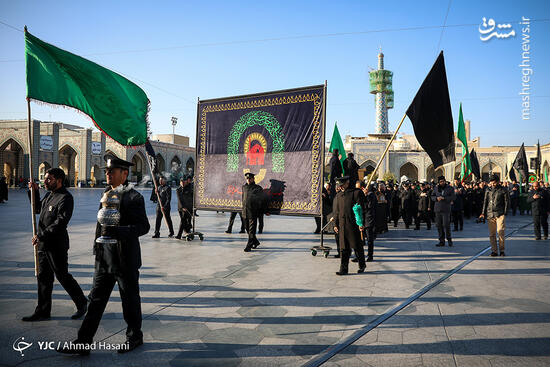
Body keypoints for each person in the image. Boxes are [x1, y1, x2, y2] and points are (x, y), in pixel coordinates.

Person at [58, 155, 150, 355]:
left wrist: (121, 232)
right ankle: (83, 341)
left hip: (125, 259)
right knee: (95, 301)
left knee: (130, 300)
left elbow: (144, 226)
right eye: (106, 171)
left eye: (112, 171)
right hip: (104, 259)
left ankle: (134, 336)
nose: (107, 174)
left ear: (124, 174)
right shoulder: (106, 193)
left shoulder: (134, 197)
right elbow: (101, 226)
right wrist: (97, 249)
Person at [22, 168, 87, 322]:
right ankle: (43, 311)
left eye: (49, 179)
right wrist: (34, 191)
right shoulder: (49, 195)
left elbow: (61, 222)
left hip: (56, 245)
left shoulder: (65, 198)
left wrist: (41, 235)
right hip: (43, 245)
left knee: (63, 276)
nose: (45, 181)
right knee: (43, 278)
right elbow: (37, 209)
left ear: (59, 180)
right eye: (45, 179)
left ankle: (82, 303)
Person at [332, 176, 366, 275]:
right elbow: (337, 212)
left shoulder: (356, 193)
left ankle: (362, 265)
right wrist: (335, 224)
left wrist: (361, 223)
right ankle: (343, 269)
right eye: (339, 185)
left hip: (353, 225)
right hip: (342, 225)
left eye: (342, 185)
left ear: (347, 183)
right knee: (344, 248)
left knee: (357, 247)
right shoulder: (338, 196)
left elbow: (361, 209)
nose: (341, 187)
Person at [480, 175, 509, 256]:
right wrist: (483, 213)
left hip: (500, 214)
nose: (492, 184)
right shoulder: (488, 190)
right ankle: (494, 251)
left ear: (498, 182)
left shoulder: (503, 190)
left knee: (500, 232)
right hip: (490, 214)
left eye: (494, 182)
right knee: (492, 234)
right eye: (491, 182)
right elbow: (485, 201)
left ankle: (502, 250)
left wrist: (505, 212)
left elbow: (507, 201)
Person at [242, 172, 267, 252]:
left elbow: (262, 200)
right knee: (247, 229)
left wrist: (263, 211)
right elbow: (243, 198)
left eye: (250, 178)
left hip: (253, 212)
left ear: (253, 179)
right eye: (247, 178)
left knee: (252, 231)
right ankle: (256, 242)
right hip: (245, 211)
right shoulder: (244, 187)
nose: (248, 180)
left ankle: (249, 246)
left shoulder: (258, 188)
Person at [432, 176, 456, 247]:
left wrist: (444, 198)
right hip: (438, 209)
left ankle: (449, 239)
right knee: (439, 225)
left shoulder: (450, 188)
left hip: (446, 209)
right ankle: (441, 241)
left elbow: (453, 197)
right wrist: (436, 198)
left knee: (446, 225)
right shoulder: (436, 188)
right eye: (440, 182)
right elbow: (432, 196)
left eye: (443, 181)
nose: (442, 183)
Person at [362, 182, 377, 262]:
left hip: (369, 220)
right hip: (362, 219)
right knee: (360, 239)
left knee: (369, 239)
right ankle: (359, 255)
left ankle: (370, 255)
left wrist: (365, 196)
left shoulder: (371, 196)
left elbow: (369, 206)